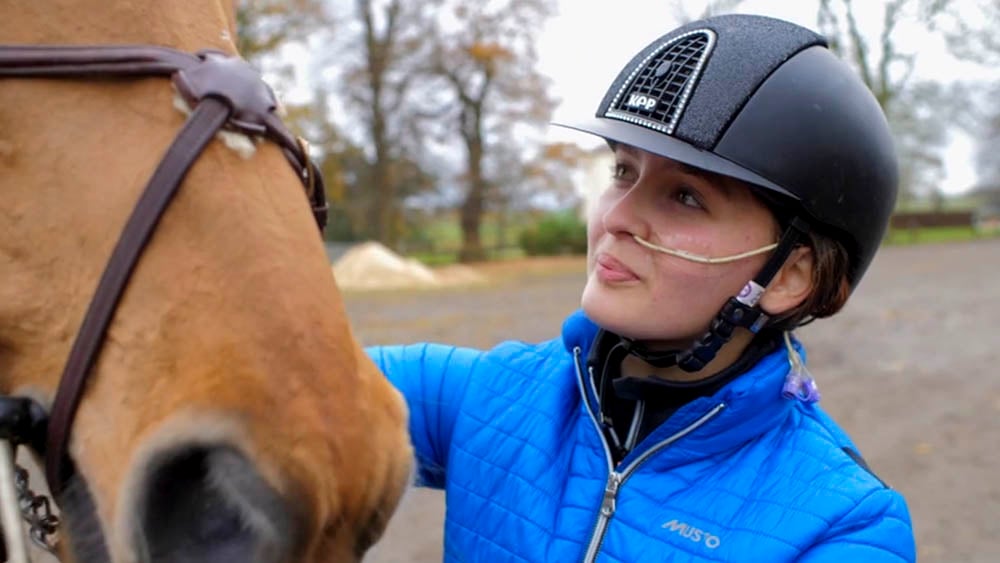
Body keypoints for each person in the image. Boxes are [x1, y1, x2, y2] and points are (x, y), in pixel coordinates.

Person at [368, 13, 916, 562]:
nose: (617, 217)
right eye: (624, 172)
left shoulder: (845, 526)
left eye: (685, 196)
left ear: (790, 277)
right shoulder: (487, 394)